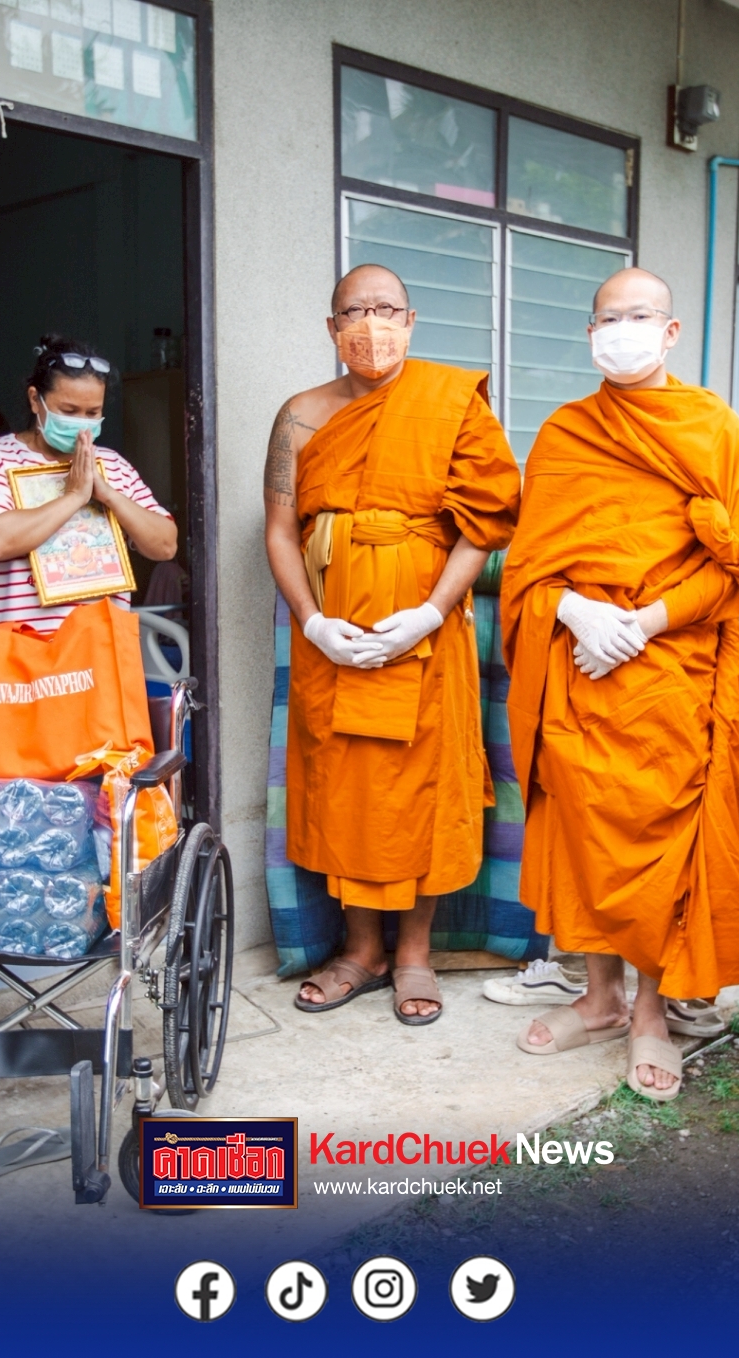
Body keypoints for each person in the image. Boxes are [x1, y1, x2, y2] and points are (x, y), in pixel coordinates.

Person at [502, 267, 739, 1098]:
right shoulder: (564, 433)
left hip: (670, 662)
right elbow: (528, 568)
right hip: (580, 661)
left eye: (639, 315)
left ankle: (651, 1009)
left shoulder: (714, 427)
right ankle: (599, 995)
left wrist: (645, 624)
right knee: (583, 830)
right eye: (607, 318)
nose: (622, 330)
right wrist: (577, 612)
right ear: (590, 335)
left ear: (672, 331)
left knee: (662, 840)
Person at [267, 263, 521, 1025]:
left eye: (386, 310)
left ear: (410, 321)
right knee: (346, 793)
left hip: (423, 631)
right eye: (354, 311)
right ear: (331, 327)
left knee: (424, 791)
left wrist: (432, 612)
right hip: (333, 633)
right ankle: (360, 949)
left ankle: (414, 953)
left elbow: (484, 523)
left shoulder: (450, 404)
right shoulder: (301, 415)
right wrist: (312, 622)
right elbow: (280, 530)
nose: (370, 325)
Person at [0, 335, 178, 634]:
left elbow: (166, 544)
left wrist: (109, 495)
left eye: (92, 413)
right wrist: (75, 496)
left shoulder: (111, 465)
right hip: (18, 653)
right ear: (34, 399)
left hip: (99, 649)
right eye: (68, 411)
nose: (82, 423)